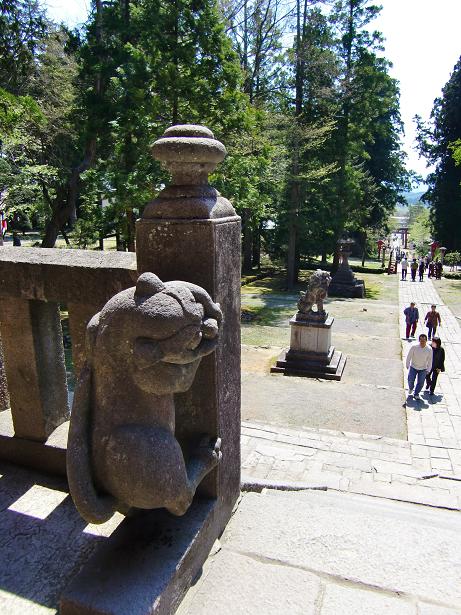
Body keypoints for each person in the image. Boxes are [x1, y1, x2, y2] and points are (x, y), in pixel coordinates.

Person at [406, 333, 432, 400]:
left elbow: (430, 360)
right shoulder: (414, 347)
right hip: (413, 366)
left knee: (421, 382)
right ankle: (411, 388)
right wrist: (407, 364)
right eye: (421, 340)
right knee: (410, 380)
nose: (422, 342)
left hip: (423, 368)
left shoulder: (429, 349)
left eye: (424, 341)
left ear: (426, 341)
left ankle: (416, 393)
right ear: (419, 340)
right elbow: (409, 356)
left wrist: (428, 369)